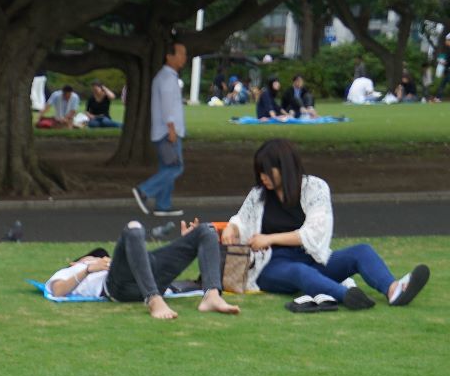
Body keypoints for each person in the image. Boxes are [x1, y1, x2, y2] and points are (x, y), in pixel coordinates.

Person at [221, 138, 430, 309]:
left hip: (312, 258)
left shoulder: (315, 188)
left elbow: (315, 232)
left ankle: (393, 290)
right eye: (260, 172)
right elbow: (241, 219)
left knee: (361, 252)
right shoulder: (258, 194)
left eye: (267, 171)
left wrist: (270, 237)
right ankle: (347, 295)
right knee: (299, 273)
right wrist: (233, 227)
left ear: (284, 167)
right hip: (270, 265)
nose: (262, 177)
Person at [44, 220, 240, 321]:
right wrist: (88, 268)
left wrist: (184, 243)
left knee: (206, 230)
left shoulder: (118, 261)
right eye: (94, 255)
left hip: (149, 273)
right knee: (133, 229)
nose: (100, 258)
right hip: (119, 286)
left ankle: (212, 295)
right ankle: (154, 300)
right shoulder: (72, 270)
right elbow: (57, 290)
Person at [133, 39, 187, 217]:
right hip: (167, 132)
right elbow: (167, 106)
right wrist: (171, 128)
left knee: (167, 168)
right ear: (169, 56)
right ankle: (144, 190)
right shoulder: (167, 78)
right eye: (181, 54)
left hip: (164, 131)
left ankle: (163, 205)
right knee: (175, 167)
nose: (184, 58)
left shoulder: (167, 77)